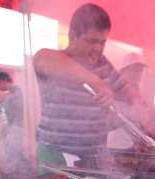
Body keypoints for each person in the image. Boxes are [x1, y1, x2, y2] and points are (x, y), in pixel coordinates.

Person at [33, 3, 130, 170]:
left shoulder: (104, 64)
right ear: (72, 36)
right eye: (91, 41)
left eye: (102, 42)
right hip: (56, 158)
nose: (98, 49)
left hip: (95, 158)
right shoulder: (54, 59)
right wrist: (97, 83)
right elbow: (41, 58)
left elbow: (128, 97)